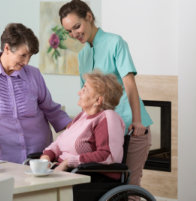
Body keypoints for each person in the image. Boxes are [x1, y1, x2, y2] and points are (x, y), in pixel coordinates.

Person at [58, 0, 153, 186]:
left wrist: (137, 120)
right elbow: (86, 99)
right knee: (108, 186)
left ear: (89, 17)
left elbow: (130, 84)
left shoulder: (115, 42)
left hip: (132, 128)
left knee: (130, 187)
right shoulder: (83, 55)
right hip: (105, 133)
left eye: (77, 27)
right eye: (69, 31)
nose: (74, 34)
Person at [0, 23, 72, 164]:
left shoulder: (34, 74)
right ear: (7, 48)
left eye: (29, 56)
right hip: (4, 158)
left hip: (40, 156)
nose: (26, 61)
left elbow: (51, 109)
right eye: (23, 55)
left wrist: (78, 128)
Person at [40, 71, 125, 180]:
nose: (79, 93)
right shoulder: (82, 115)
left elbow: (107, 155)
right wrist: (46, 157)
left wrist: (68, 162)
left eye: (85, 90)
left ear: (98, 100)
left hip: (90, 176)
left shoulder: (108, 117)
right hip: (63, 171)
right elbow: (59, 142)